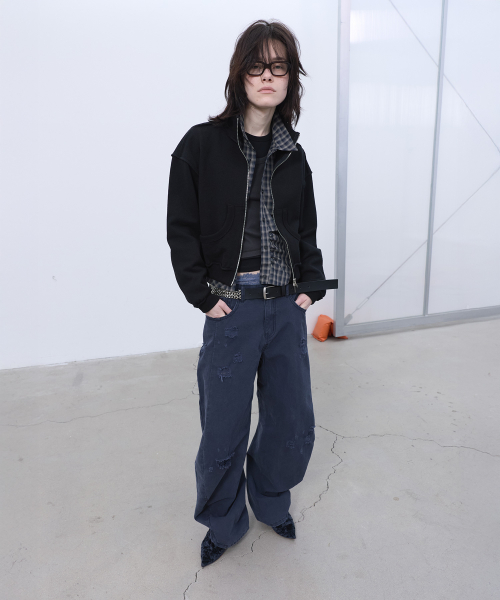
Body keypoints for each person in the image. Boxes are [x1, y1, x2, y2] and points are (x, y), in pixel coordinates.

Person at [166, 19, 331, 568]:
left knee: (290, 421)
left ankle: (272, 501)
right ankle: (223, 521)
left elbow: (305, 229)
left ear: (289, 80)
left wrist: (309, 284)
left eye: (278, 67)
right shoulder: (200, 145)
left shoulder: (294, 155)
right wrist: (200, 292)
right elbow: (181, 228)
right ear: (240, 75)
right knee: (223, 428)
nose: (267, 76)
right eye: (257, 66)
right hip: (230, 307)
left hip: (285, 308)